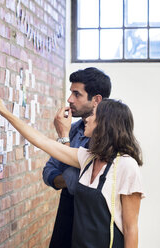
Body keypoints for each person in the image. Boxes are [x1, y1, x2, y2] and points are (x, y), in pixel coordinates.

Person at [0, 87, 144, 248]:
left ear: (105, 123)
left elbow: (130, 228)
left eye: (92, 115)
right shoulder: (87, 158)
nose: (87, 119)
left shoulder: (126, 165)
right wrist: (4, 112)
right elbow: (42, 141)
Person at [42, 67, 112, 247]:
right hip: (66, 217)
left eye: (77, 94)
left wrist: (63, 138)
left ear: (96, 100)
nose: (69, 99)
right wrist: (62, 179)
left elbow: (73, 184)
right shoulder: (73, 129)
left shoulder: (107, 138)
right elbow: (48, 171)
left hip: (89, 226)